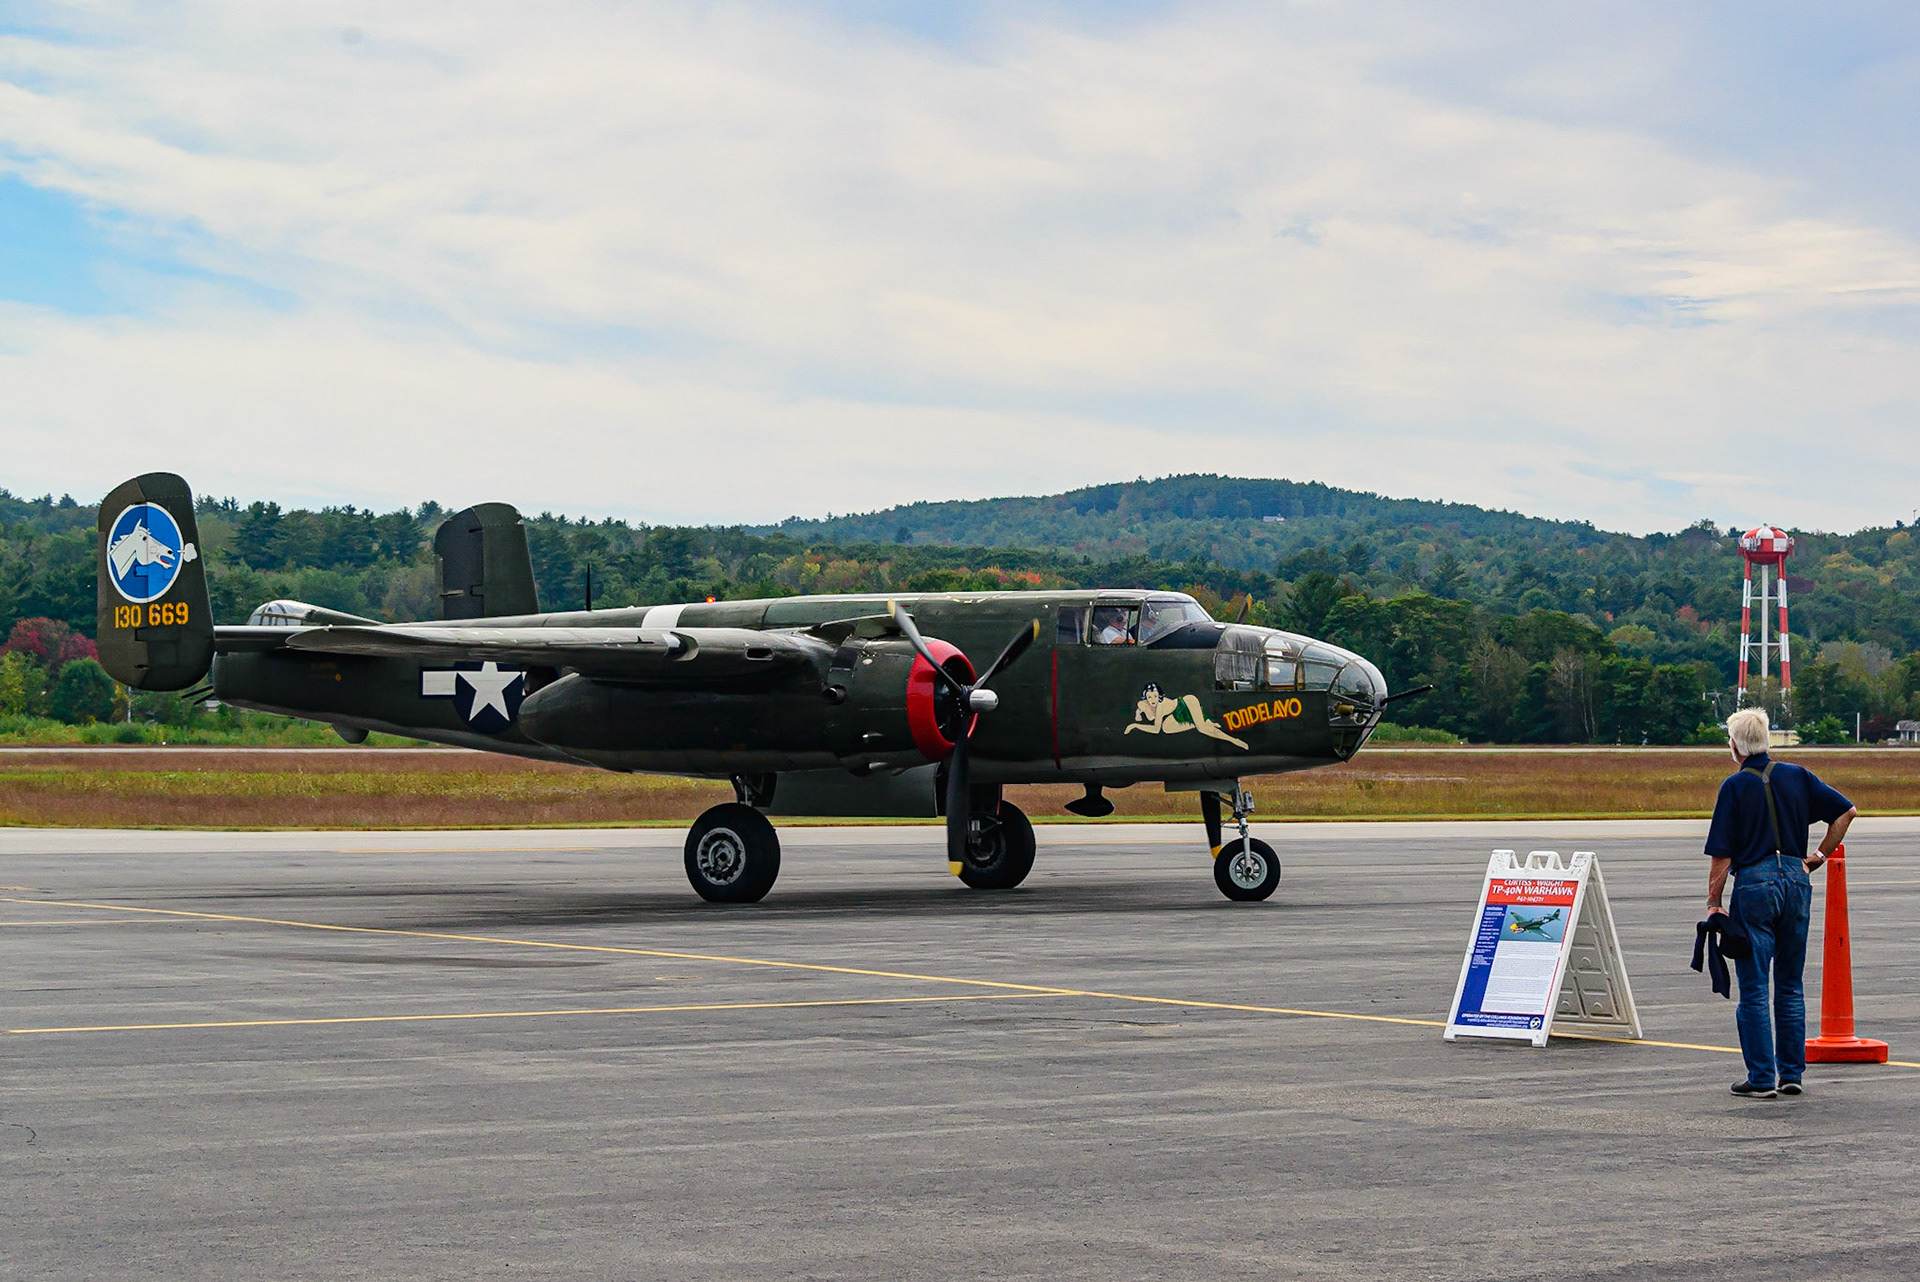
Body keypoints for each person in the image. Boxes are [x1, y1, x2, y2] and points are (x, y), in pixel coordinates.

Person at [1705, 707, 1856, 1100]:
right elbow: (1846, 812)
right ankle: (1792, 1075)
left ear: (1735, 745)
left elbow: (1721, 854)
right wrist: (1819, 857)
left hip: (1754, 881)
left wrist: (1714, 902)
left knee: (1753, 988)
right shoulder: (1797, 776)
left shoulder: (1734, 786)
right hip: (1795, 878)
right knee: (1790, 984)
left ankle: (1760, 1077)